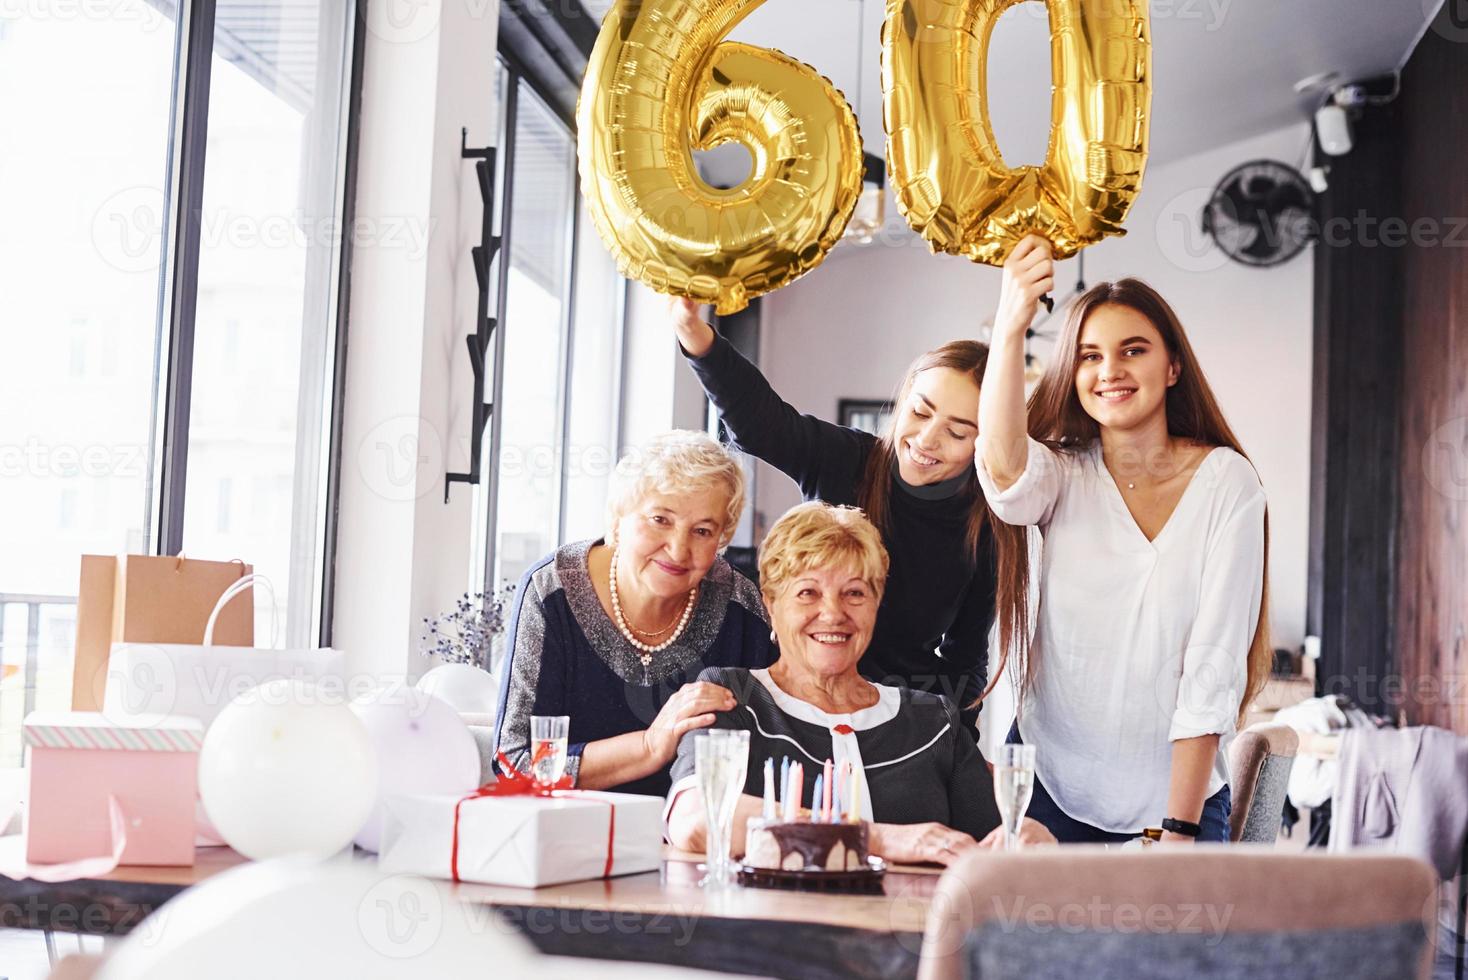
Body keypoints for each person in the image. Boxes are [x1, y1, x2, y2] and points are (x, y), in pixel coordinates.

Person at [976, 235, 1270, 844]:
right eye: (1088, 356)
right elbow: (1005, 475)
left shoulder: (1227, 483)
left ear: (1172, 366)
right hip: (1046, 785)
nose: (1109, 370)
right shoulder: (1061, 473)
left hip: (1172, 799)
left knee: (1167, 939)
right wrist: (1009, 328)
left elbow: (1212, 669)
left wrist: (1178, 828)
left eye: (1131, 351)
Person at [669, 299, 1029, 731]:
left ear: (985, 441)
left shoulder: (987, 524)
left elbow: (966, 659)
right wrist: (694, 332)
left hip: (895, 720)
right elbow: (760, 423)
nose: (927, 440)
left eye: (957, 432)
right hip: (798, 702)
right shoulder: (846, 459)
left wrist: (954, 751)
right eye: (920, 412)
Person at [664, 502, 1053, 865]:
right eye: (807, 593)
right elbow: (698, 820)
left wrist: (1030, 841)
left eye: (854, 593)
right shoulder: (734, 697)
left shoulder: (933, 720)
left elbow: (993, 851)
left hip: (914, 934)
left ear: (876, 603)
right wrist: (876, 839)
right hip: (776, 932)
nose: (832, 613)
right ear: (771, 604)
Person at [493, 431, 774, 796]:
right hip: (567, 836)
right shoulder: (552, 592)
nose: (677, 549)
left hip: (688, 841)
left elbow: (770, 758)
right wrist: (649, 746)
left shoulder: (742, 608)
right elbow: (516, 763)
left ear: (722, 539)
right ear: (618, 517)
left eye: (702, 531)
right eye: (660, 519)